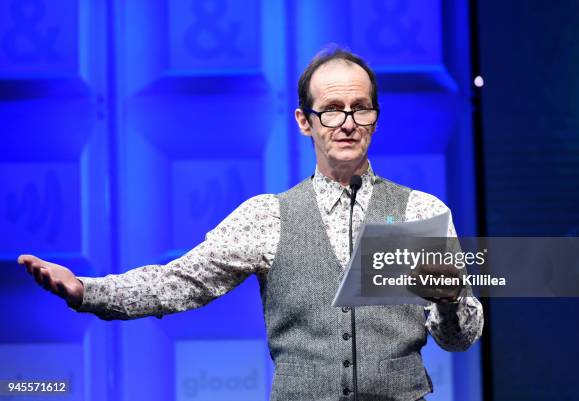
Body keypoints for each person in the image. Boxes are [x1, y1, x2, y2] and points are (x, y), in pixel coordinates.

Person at [18, 47, 483, 401]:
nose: (347, 123)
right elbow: (177, 283)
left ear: (375, 118)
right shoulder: (269, 216)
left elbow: (459, 338)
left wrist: (447, 302)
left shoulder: (420, 211)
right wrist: (87, 291)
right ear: (305, 121)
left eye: (360, 108)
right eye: (332, 109)